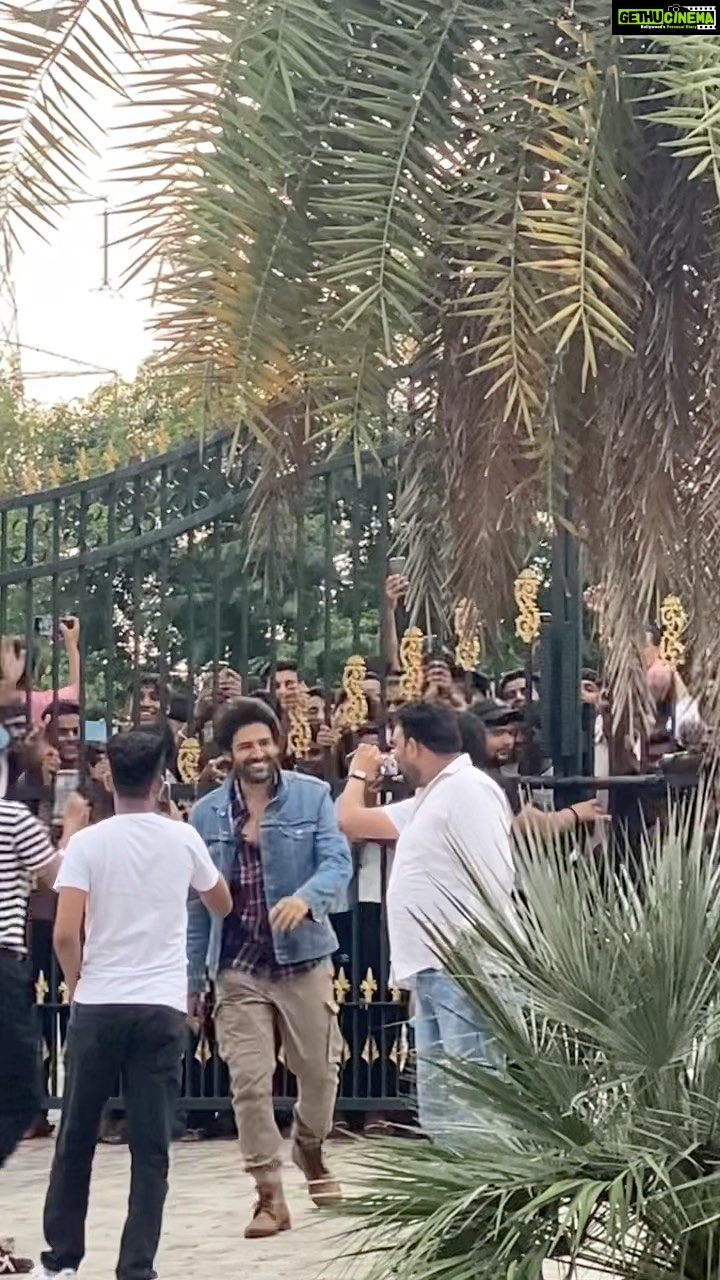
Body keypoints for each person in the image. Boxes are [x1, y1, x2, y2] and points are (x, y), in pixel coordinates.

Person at [31, 727, 231, 1280]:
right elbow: (221, 901)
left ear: (109, 779)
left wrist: (78, 983)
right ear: (161, 778)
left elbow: (65, 933)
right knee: (151, 1145)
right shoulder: (182, 838)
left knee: (76, 1135)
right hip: (161, 1003)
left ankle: (62, 1260)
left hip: (100, 1001)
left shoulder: (88, 844)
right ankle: (136, 1265)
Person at [188, 697, 352, 1239]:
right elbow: (197, 904)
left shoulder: (312, 795)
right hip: (237, 964)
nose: (257, 753)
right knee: (249, 1082)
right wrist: (194, 978)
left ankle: (309, 1146)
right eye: (245, 746)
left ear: (277, 743)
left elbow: (338, 862)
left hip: (303, 957)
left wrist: (307, 897)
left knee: (319, 1071)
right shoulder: (206, 814)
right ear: (229, 755)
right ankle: (268, 1196)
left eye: (264, 742)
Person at [337, 702, 515, 1141]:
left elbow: (494, 874)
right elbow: (350, 820)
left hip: (465, 967)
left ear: (415, 745)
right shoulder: (431, 798)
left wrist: (471, 955)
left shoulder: (469, 789)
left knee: (473, 1099)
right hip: (434, 970)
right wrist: (360, 776)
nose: (393, 755)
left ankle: (485, 1179)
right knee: (439, 1106)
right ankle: (456, 1182)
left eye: (396, 744)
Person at [0, 724, 62, 1275]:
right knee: (21, 1095)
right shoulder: (13, 819)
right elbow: (58, 876)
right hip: (2, 965)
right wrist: (78, 827)